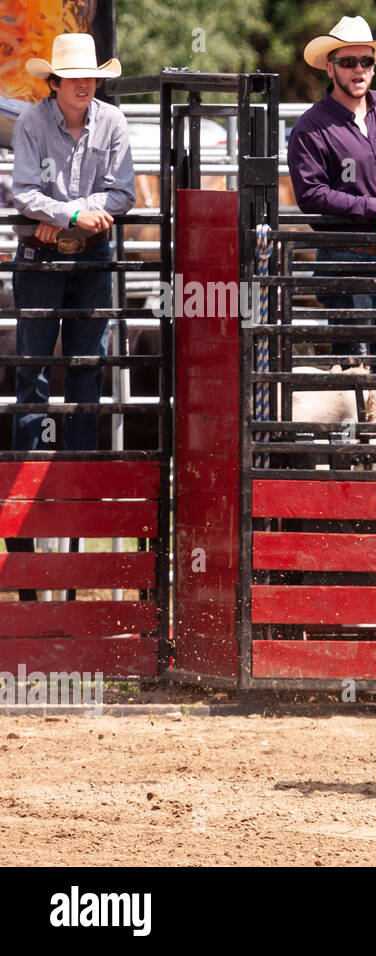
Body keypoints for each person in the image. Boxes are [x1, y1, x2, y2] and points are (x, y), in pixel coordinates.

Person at [9, 33, 135, 601]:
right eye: (74, 77)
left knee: (86, 364)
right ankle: (31, 468)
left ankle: (80, 467)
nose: (85, 85)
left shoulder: (110, 122)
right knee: (34, 368)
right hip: (56, 253)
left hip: (76, 252)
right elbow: (22, 192)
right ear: (55, 82)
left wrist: (64, 217)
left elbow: (122, 192)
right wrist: (78, 213)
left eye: (90, 77)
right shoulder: (34, 123)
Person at [287, 16, 376, 373]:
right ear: (330, 68)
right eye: (348, 62)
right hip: (347, 257)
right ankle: (354, 432)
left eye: (366, 61)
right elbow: (311, 195)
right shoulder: (311, 127)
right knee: (353, 368)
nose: (358, 69)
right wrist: (373, 208)